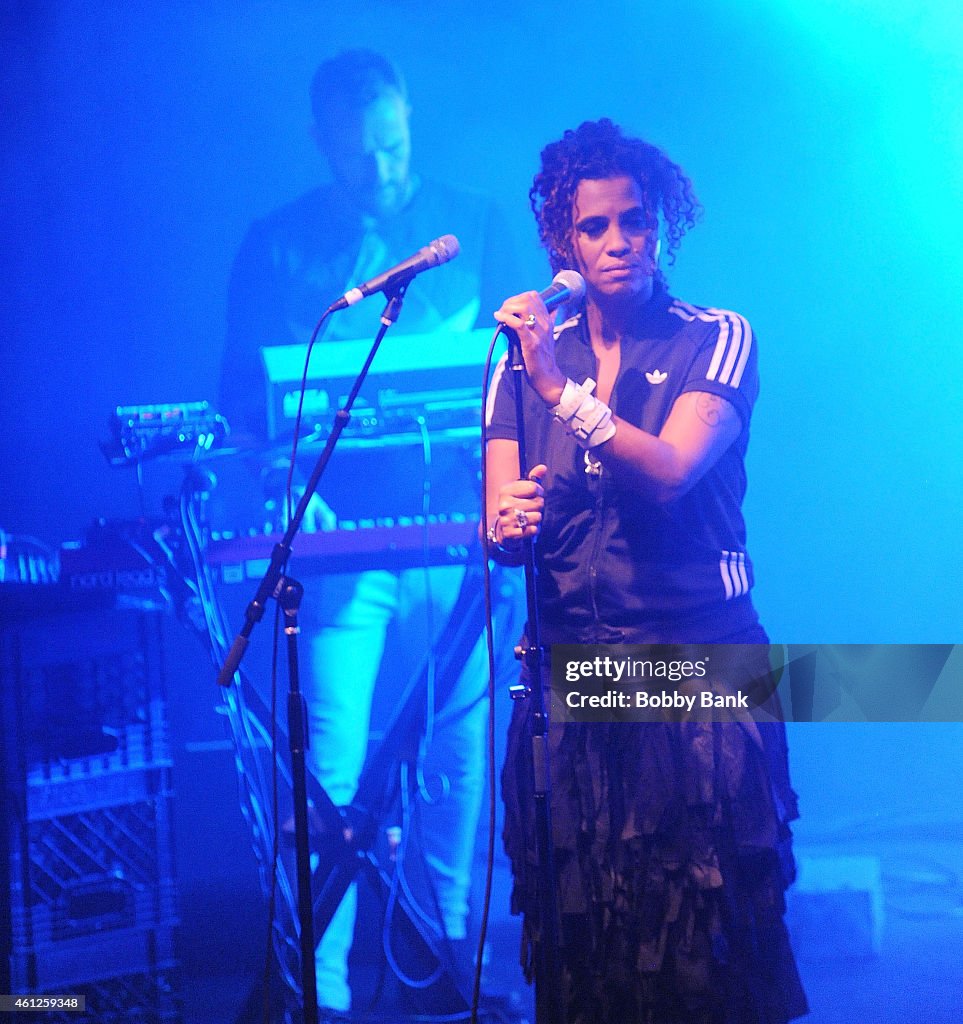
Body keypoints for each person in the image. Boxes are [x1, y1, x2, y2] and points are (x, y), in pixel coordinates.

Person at [485, 119, 807, 1024]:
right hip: (574, 686)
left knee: (704, 952)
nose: (619, 242)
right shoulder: (517, 362)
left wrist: (559, 391)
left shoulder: (715, 337)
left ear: (664, 224)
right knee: (589, 955)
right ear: (563, 242)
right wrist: (509, 525)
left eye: (635, 221)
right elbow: (499, 522)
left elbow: (669, 472)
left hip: (695, 676)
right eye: (595, 228)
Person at [219, 49, 520, 1013]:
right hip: (338, 542)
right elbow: (242, 399)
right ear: (321, 146)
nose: (381, 172)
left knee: (454, 748)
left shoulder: (471, 224)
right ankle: (324, 987)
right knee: (328, 757)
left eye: (391, 147)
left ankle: (446, 958)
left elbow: (530, 373)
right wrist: (287, 485)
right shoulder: (277, 246)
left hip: (456, 532)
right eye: (357, 157)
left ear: (409, 121)